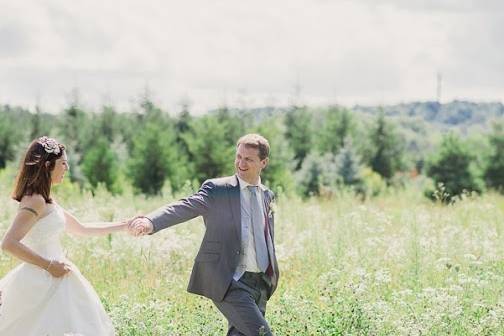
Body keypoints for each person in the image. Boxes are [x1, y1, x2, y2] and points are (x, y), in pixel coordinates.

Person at [128, 133, 280, 336]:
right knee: (262, 334)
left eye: (248, 159)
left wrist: (269, 276)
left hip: (260, 283)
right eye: (238, 157)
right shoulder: (218, 190)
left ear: (264, 162)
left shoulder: (267, 195)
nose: (241, 163)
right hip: (230, 280)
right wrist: (150, 221)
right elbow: (185, 206)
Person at [0, 136, 125, 335]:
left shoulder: (47, 200)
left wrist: (125, 225)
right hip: (42, 278)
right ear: (48, 165)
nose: (67, 168)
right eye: (63, 164)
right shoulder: (34, 201)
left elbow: (82, 228)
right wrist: (49, 266)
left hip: (60, 274)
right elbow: (8, 243)